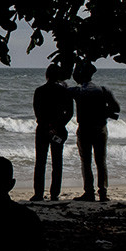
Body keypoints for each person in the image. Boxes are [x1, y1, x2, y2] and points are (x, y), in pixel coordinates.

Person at [69, 62, 120, 202]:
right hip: (100, 129)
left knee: (86, 162)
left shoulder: (77, 91)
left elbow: (63, 91)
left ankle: (89, 192)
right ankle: (103, 192)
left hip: (85, 129)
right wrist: (103, 113)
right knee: (101, 161)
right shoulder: (103, 90)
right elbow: (116, 109)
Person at [31, 64, 73, 201]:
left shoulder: (39, 91)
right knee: (57, 161)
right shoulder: (65, 92)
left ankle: (38, 193)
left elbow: (37, 111)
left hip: (43, 129)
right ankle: (55, 193)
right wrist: (58, 125)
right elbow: (70, 113)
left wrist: (47, 125)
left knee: (40, 162)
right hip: (59, 130)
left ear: (46, 75)